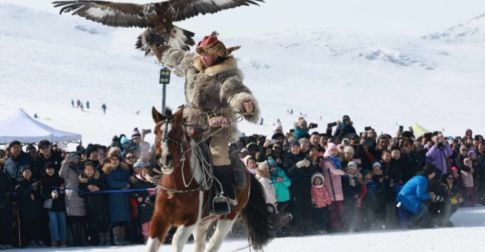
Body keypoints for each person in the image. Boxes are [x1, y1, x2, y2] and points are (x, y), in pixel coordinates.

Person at [154, 32, 259, 214]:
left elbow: (236, 93)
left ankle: (223, 195)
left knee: (218, 154)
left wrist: (245, 103)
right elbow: (176, 59)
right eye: (201, 52)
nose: (203, 56)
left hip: (218, 125)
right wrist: (157, 46)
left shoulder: (227, 76)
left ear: (217, 55)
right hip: (190, 121)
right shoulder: (192, 66)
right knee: (168, 141)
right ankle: (160, 180)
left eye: (206, 53)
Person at [103, 147, 131, 245]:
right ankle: (116, 238)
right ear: (109, 161)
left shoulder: (124, 170)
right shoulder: (108, 171)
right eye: (112, 160)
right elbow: (111, 182)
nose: (114, 161)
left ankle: (122, 237)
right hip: (114, 198)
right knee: (115, 218)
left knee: (123, 218)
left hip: (123, 197)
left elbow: (127, 180)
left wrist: (127, 185)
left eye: (116, 159)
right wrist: (123, 185)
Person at [79, 161, 110, 246]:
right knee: (91, 224)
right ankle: (95, 240)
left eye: (91, 169)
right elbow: (80, 192)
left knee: (102, 221)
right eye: (87, 170)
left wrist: (98, 188)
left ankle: (105, 239)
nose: (89, 171)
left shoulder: (99, 177)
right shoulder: (82, 180)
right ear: (84, 171)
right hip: (89, 206)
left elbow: (106, 188)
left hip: (101, 204)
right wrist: (87, 187)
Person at [396, 164, 437, 229]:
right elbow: (420, 195)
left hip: (404, 197)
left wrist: (428, 195)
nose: (434, 174)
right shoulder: (422, 179)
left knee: (424, 205)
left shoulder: (419, 176)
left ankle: (427, 223)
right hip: (405, 198)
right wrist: (430, 195)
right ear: (431, 173)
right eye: (434, 172)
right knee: (423, 208)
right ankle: (411, 224)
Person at [59, 152, 87, 246]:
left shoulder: (81, 167)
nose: (75, 159)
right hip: (71, 194)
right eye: (73, 157)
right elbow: (61, 174)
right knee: (73, 217)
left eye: (77, 157)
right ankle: (75, 240)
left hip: (81, 192)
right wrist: (65, 162)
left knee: (81, 217)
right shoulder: (67, 167)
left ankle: (82, 239)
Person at [15, 168, 45, 247]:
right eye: (26, 171)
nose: (28, 173)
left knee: (37, 223)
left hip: (35, 205)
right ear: (22, 173)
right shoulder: (19, 182)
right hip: (25, 206)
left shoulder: (34, 181)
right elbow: (20, 193)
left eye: (29, 171)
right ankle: (30, 240)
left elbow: (39, 192)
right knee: (28, 224)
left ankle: (37, 239)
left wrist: (33, 191)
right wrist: (30, 192)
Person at [40, 162, 67, 247]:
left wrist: (60, 191)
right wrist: (50, 194)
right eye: (48, 169)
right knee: (53, 223)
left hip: (60, 204)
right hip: (50, 205)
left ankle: (63, 240)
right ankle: (54, 240)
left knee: (62, 222)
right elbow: (42, 193)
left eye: (51, 168)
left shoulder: (60, 179)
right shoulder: (43, 179)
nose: (50, 170)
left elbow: (64, 190)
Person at [0, 167, 14, 249]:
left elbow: (10, 188)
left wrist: (7, 196)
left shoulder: (5, 176)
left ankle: (7, 241)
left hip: (5, 202)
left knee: (6, 223)